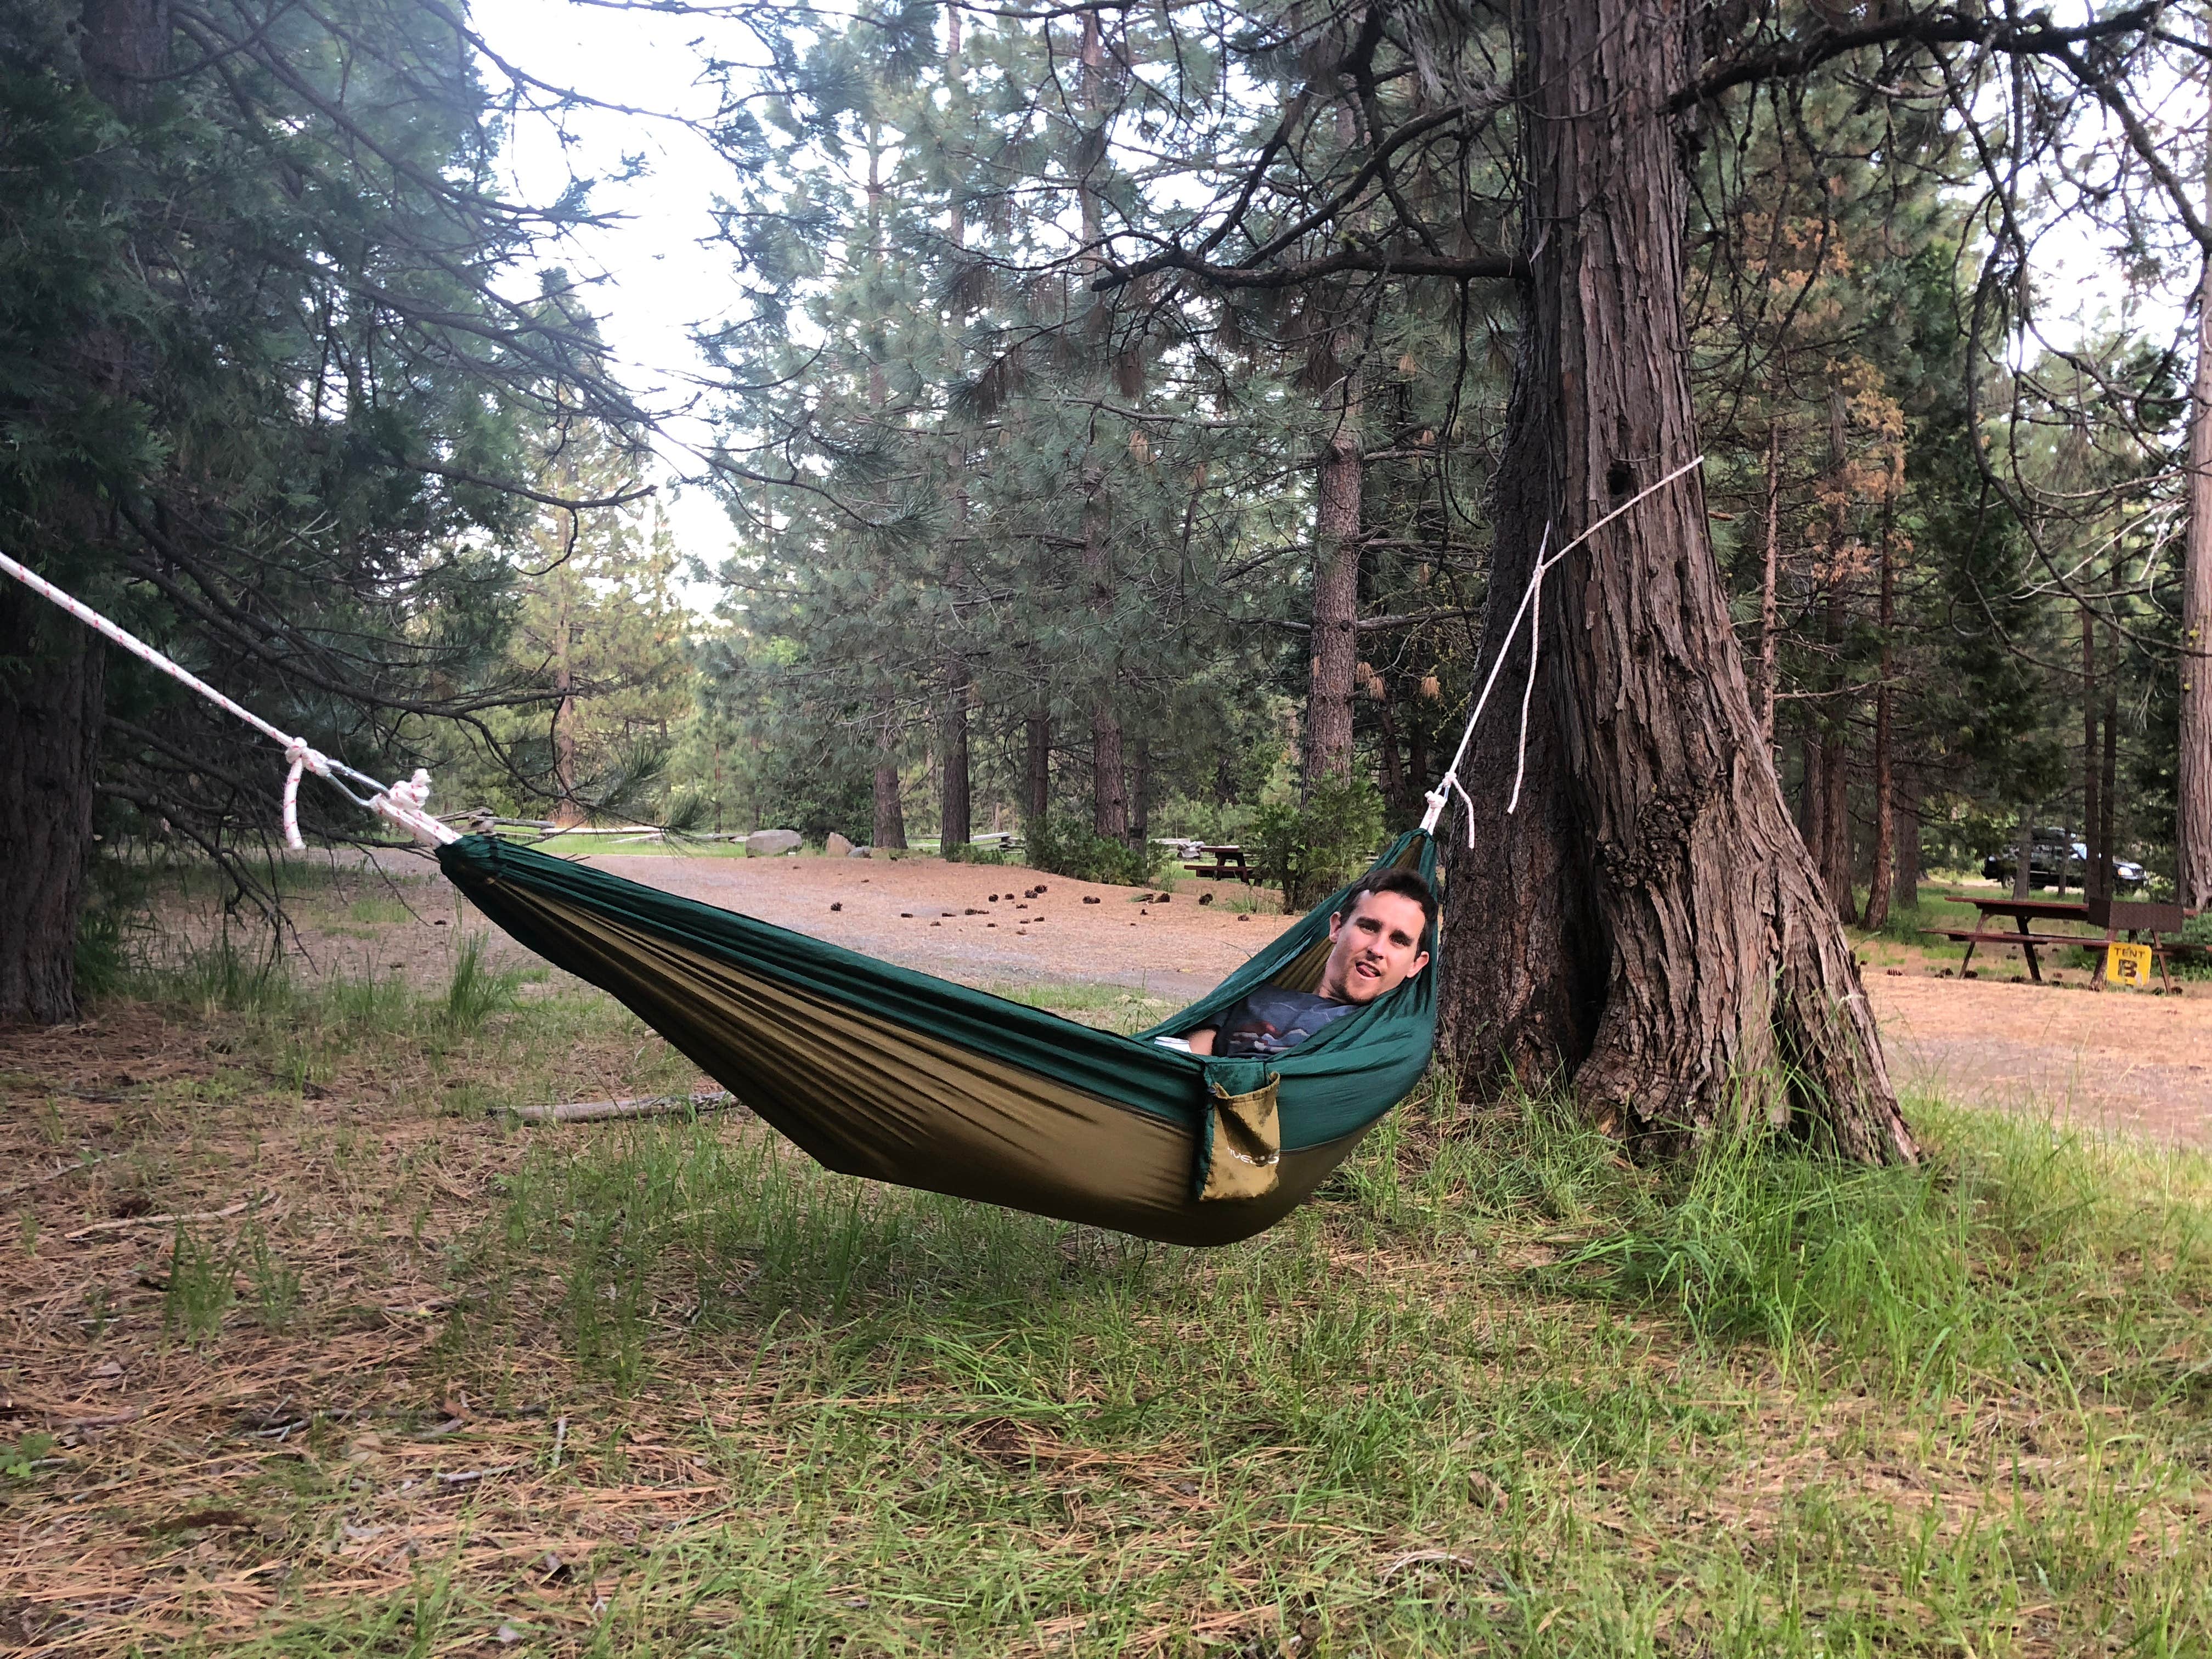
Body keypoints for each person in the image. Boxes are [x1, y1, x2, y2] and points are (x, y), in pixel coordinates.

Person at [1186, 868, 1435, 1058]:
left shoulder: (1385, 1038)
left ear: (1416, 964)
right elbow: (1182, 1064)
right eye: (1368, 927)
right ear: (1337, 927)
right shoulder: (1250, 996)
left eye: (1398, 941)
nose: (1377, 949)